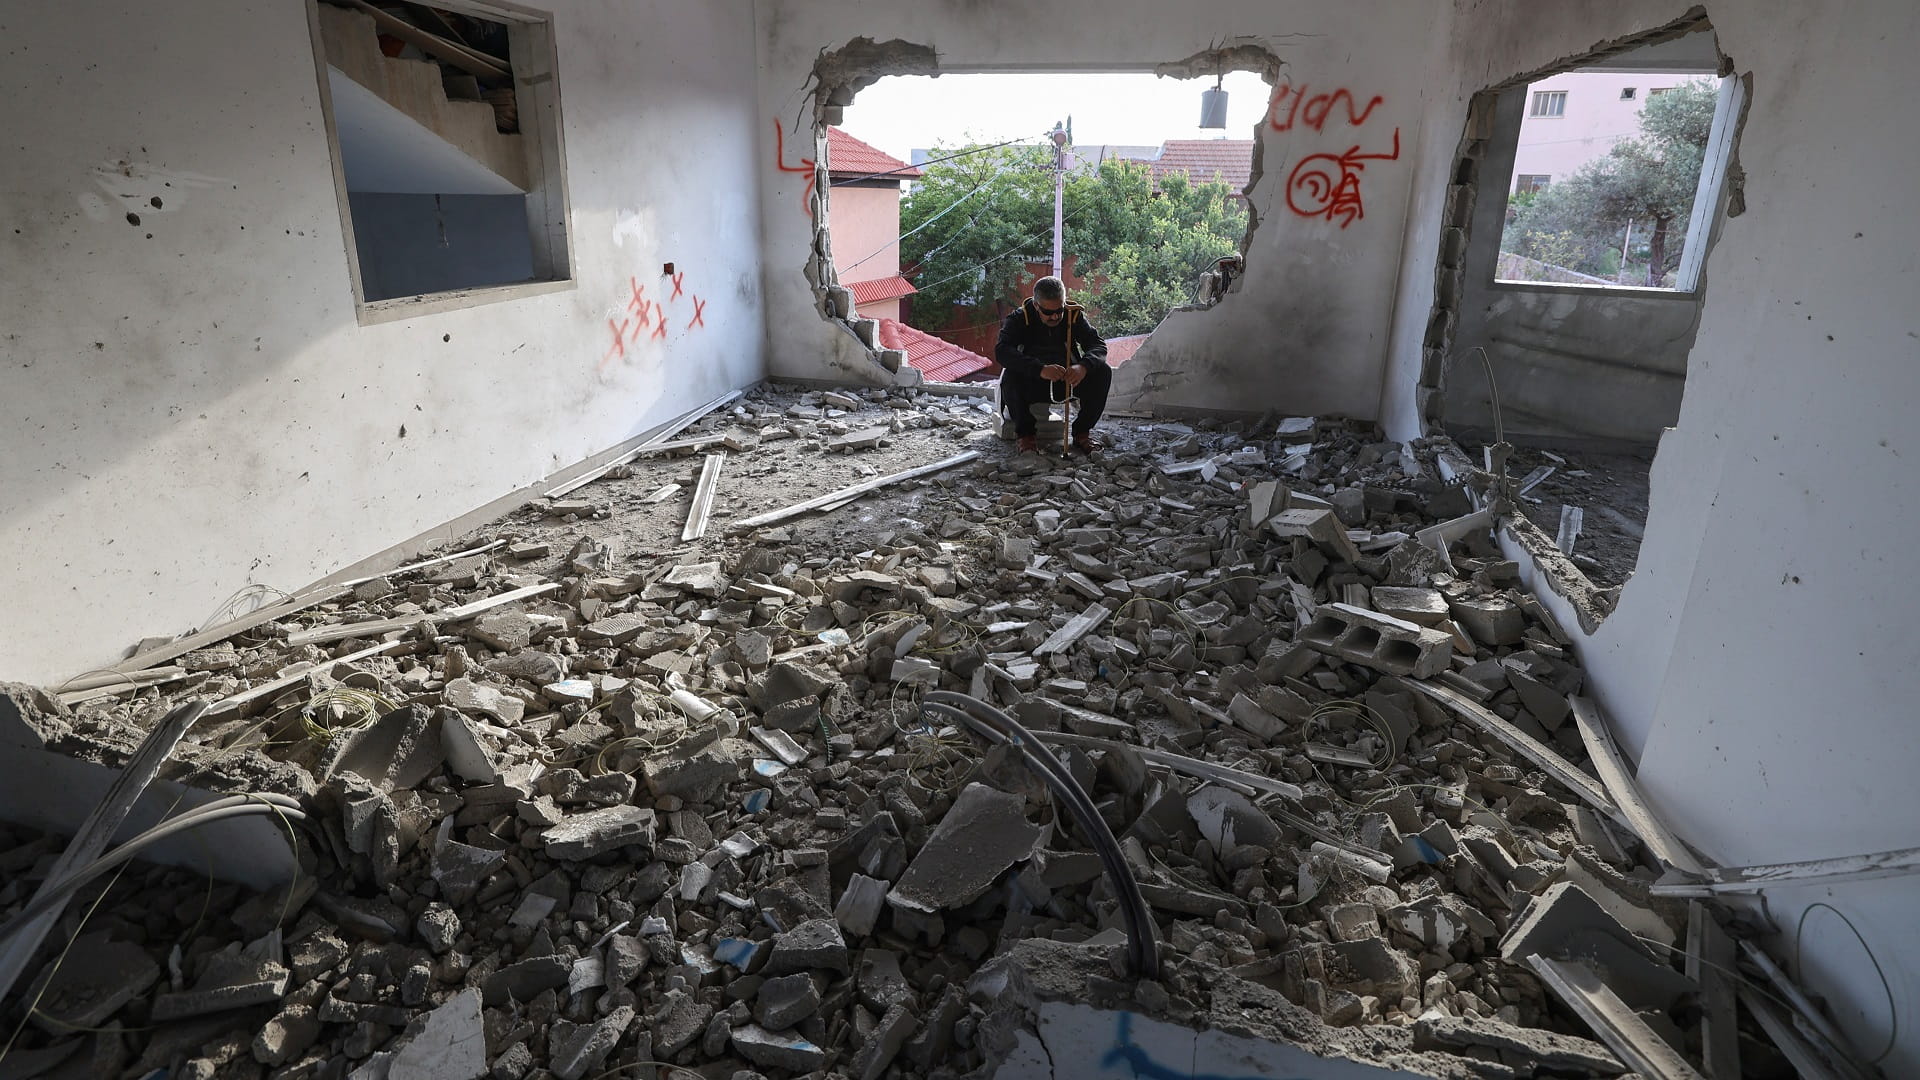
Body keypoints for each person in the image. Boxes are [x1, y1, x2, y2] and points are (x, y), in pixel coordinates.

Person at [994, 276, 1112, 455]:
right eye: (1048, 312)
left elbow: (1098, 345)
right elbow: (1002, 351)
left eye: (1060, 310)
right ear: (1036, 305)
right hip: (1033, 381)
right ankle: (1026, 435)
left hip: (1068, 381)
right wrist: (1039, 369)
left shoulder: (1073, 314)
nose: (1056, 316)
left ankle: (1082, 433)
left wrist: (1083, 366)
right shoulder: (1020, 318)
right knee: (1010, 376)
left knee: (1103, 371)